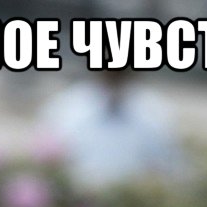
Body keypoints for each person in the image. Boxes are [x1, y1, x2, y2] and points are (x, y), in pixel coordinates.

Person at [40, 69, 183, 191]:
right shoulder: (65, 107)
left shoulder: (156, 112)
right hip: (78, 206)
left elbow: (171, 169)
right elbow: (46, 165)